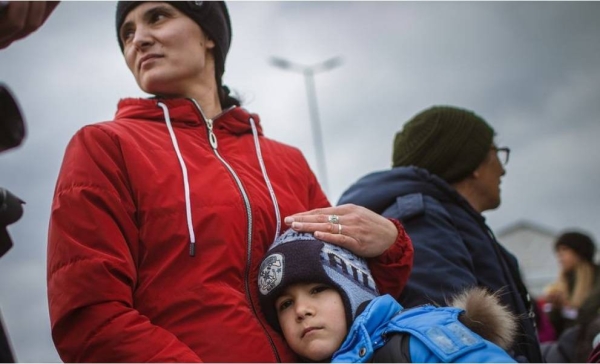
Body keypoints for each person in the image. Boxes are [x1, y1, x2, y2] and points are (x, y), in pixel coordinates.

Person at [46, 1, 413, 362]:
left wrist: (388, 249)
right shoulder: (104, 146)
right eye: (127, 33)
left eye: (157, 17)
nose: (138, 39)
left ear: (208, 34)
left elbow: (348, 294)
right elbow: (90, 317)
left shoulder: (288, 162)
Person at [337, 105, 543, 362]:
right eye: (496, 153)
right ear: (471, 162)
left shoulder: (451, 220)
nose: (502, 169)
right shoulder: (421, 219)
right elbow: (450, 344)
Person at [258, 228, 518, 363]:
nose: (301, 310)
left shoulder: (419, 340)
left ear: (354, 288)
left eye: (317, 290)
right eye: (286, 304)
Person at [543, 231, 599, 337]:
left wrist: (567, 307)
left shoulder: (596, 281)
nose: (559, 255)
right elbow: (556, 329)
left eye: (564, 249)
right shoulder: (564, 282)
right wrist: (555, 309)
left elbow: (588, 316)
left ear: (580, 253)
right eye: (558, 251)